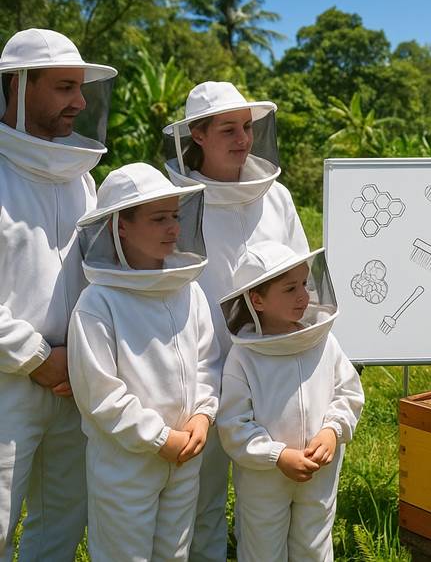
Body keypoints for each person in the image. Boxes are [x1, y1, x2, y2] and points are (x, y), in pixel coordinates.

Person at [163, 80, 309, 560]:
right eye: (228, 128)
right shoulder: (174, 201)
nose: (243, 139)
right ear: (197, 135)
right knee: (198, 502)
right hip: (198, 374)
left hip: (269, 369)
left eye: (247, 127)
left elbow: (301, 277)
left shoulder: (278, 197)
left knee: (266, 501)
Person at [0, 28, 116, 560]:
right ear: (20, 87)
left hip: (74, 380)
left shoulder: (79, 178)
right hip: (9, 384)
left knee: (63, 523)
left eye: (81, 88)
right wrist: (37, 357)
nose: (80, 102)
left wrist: (81, 358)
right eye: (65, 87)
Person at [67, 162, 221, 560]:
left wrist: (202, 415)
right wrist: (158, 438)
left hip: (185, 456)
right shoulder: (99, 302)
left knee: (174, 554)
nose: (173, 228)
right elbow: (99, 394)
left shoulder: (190, 291)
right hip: (125, 466)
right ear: (121, 225)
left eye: (174, 216)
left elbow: (207, 364)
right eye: (158, 219)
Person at [217, 241, 364, 561]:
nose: (303, 295)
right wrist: (277, 455)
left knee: (314, 546)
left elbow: (348, 392)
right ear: (257, 300)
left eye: (304, 284)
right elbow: (233, 426)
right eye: (289, 289)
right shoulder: (243, 358)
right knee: (262, 549)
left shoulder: (324, 341)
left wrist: (332, 432)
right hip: (264, 481)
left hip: (320, 474)